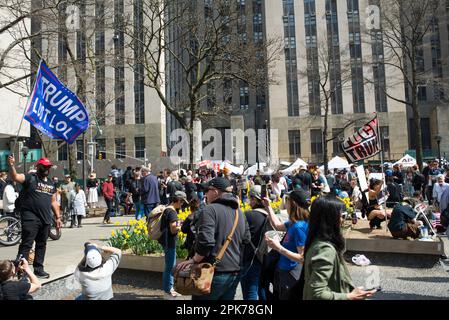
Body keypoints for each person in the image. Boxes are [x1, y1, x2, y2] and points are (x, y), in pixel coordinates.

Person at [175, 177, 251, 300]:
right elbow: (246, 239)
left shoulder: (210, 210)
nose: (205, 194)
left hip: (211, 272)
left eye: (207, 190)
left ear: (215, 192)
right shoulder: (239, 213)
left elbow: (206, 242)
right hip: (233, 272)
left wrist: (194, 260)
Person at [303, 196, 376, 300]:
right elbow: (317, 293)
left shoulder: (315, 240)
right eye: (342, 215)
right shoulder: (325, 249)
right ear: (330, 219)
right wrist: (350, 296)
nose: (343, 220)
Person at [8, 156, 61, 278]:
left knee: (42, 245)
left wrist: (58, 217)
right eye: (44, 166)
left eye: (48, 167)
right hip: (30, 217)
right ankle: (22, 271)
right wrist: (11, 165)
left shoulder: (51, 184)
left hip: (46, 219)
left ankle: (38, 269)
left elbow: (53, 202)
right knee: (27, 244)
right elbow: (15, 177)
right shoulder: (30, 178)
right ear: (38, 167)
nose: (46, 169)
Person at [263, 190, 309, 300]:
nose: (285, 203)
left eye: (287, 200)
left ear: (293, 203)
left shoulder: (299, 227)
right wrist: (268, 207)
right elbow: (278, 226)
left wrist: (277, 247)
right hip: (284, 271)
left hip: (291, 274)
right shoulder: (294, 223)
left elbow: (302, 257)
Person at [240, 186, 270, 301]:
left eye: (249, 198)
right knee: (263, 290)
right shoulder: (269, 215)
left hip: (250, 259)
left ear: (254, 199)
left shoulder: (248, 215)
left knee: (250, 292)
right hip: (265, 258)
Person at [159, 191, 188, 298]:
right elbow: (173, 229)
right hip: (169, 241)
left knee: (169, 265)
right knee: (170, 267)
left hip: (165, 241)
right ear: (178, 200)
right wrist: (182, 227)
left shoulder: (167, 209)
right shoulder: (172, 212)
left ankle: (168, 289)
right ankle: (168, 291)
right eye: (182, 202)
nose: (182, 205)